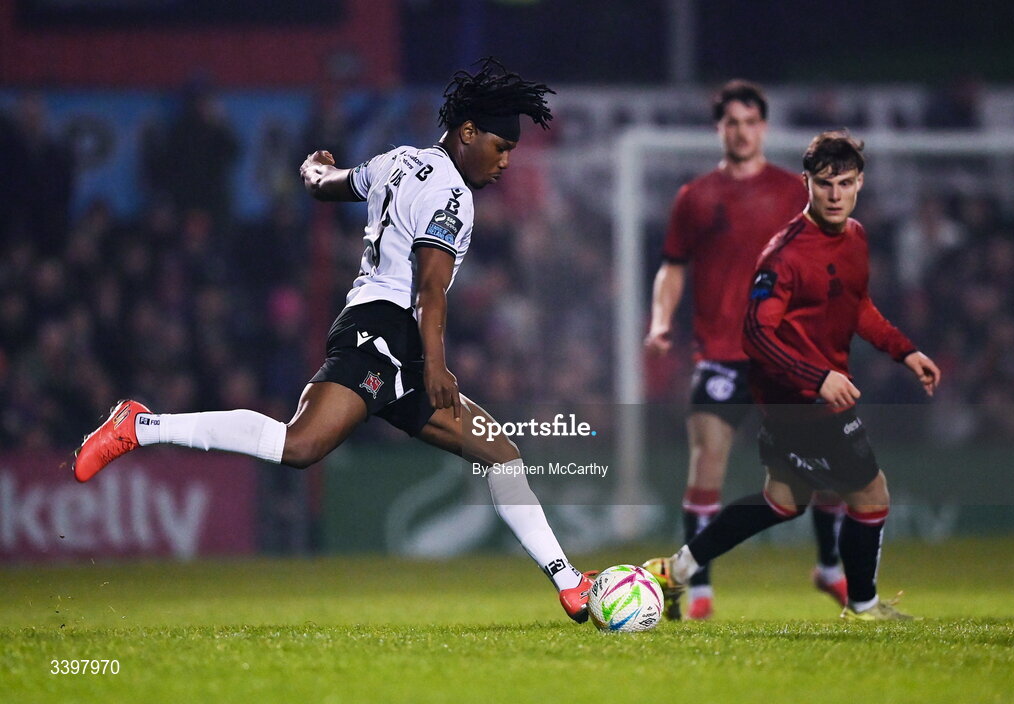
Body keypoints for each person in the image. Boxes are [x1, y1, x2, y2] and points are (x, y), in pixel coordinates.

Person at [73, 59, 594, 623]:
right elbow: (430, 287)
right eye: (500, 146)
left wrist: (312, 168)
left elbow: (326, 185)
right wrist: (437, 365)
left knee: (500, 453)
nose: (505, 161)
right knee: (299, 446)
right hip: (388, 331)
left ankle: (570, 584)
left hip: (388, 332)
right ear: (468, 131)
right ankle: (140, 425)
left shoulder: (397, 161)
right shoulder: (452, 196)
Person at [645, 131, 942, 620]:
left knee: (782, 500)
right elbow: (755, 336)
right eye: (824, 183)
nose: (834, 194)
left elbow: (858, 306)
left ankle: (676, 570)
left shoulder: (856, 237)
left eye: (844, 183)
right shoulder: (783, 256)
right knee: (872, 493)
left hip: (813, 395)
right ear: (806, 183)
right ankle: (863, 606)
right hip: (799, 402)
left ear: (859, 183)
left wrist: (904, 351)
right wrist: (818, 376)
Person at [645, 80, 848, 620]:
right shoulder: (696, 196)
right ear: (720, 128)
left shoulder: (792, 193)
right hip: (719, 353)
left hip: (783, 357)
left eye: (750, 121)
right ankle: (699, 591)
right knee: (706, 464)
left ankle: (830, 566)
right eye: (731, 121)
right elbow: (672, 266)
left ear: (763, 126)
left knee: (828, 468)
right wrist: (661, 321)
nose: (741, 130)